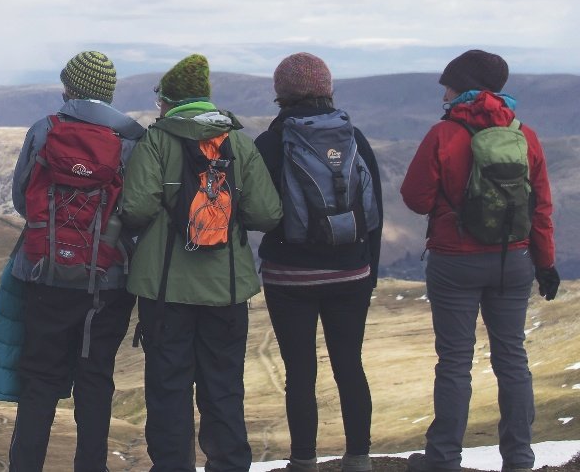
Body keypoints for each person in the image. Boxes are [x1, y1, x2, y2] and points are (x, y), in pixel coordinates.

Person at [121, 54, 282, 472]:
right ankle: (228, 464)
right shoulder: (240, 144)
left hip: (164, 292)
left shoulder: (156, 142)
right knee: (223, 387)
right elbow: (267, 214)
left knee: (168, 388)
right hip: (225, 291)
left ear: (169, 101)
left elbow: (135, 209)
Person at [400, 50, 559, 472]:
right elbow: (541, 206)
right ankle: (520, 459)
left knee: (454, 361)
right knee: (512, 358)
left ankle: (444, 459)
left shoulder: (444, 134)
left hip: (455, 261)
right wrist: (545, 264)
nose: (444, 92)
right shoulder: (525, 134)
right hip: (514, 259)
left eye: (448, 85)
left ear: (463, 86)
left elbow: (415, 199)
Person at [7, 50, 146, 472]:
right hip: (107, 281)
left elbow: (21, 199)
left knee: (40, 382)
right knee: (95, 378)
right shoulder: (132, 139)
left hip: (45, 276)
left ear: (69, 87)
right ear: (108, 92)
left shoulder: (44, 130)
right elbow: (138, 211)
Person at [253, 53, 383, 472]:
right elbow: (373, 212)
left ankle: (303, 461)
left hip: (289, 278)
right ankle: (359, 458)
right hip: (351, 272)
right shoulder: (354, 138)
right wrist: (369, 273)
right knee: (350, 363)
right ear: (328, 89)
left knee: (300, 371)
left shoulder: (270, 144)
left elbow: (257, 211)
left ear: (281, 93)